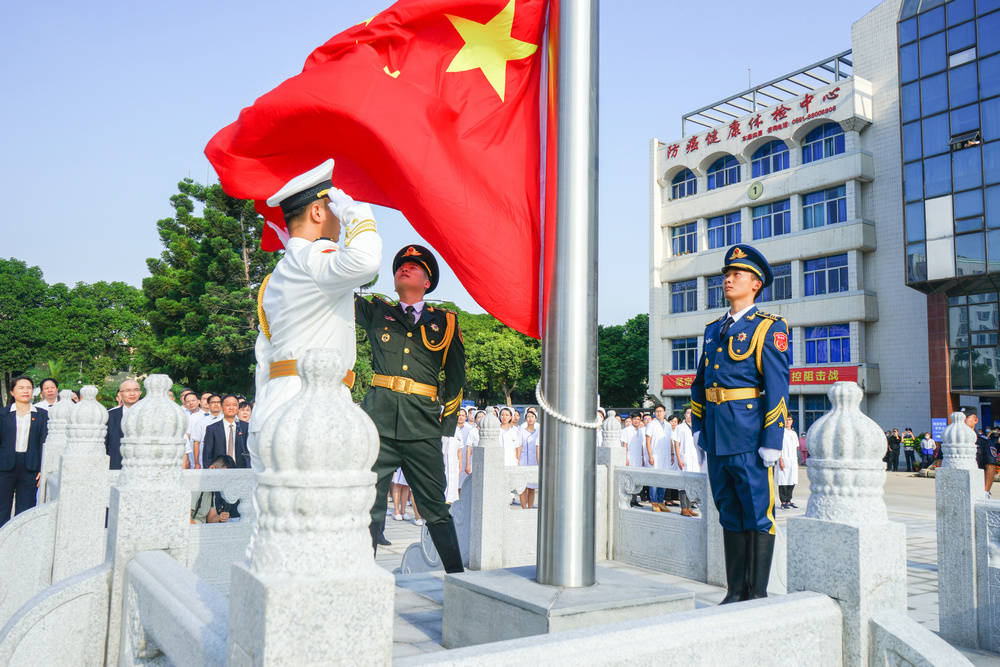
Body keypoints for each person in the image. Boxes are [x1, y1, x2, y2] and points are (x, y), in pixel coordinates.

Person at [250, 158, 382, 462]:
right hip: (313, 408)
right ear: (318, 211)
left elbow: (264, 357)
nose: (338, 223)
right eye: (334, 211)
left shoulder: (277, 275)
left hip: (277, 403)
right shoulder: (314, 257)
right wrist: (357, 214)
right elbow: (365, 261)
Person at [356, 244, 465, 573]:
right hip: (378, 425)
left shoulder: (444, 323)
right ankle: (362, 580)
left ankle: (457, 578)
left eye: (414, 267)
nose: (405, 268)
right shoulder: (376, 312)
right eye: (400, 266)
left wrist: (443, 427)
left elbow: (457, 379)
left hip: (422, 429)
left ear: (427, 282)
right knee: (368, 505)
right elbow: (337, 293)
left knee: (434, 507)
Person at [690, 244, 790, 603]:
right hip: (717, 437)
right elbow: (700, 382)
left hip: (749, 438)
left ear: (756, 283)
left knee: (758, 514)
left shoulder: (768, 328)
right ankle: (735, 591)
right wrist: (698, 427)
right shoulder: (713, 329)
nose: (728, 279)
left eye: (737, 274)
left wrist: (773, 438)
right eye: (727, 274)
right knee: (729, 512)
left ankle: (757, 593)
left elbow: (778, 386)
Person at [0, 377, 48, 526]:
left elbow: (44, 442)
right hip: (4, 466)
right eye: (21, 388)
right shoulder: (2, 414)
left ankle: (20, 544)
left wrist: (43, 468)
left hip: (30, 467)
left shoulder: (42, 415)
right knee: (1, 507)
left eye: (28, 387)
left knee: (26, 509)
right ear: (12, 392)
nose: (25, 391)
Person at [202, 395, 251, 469]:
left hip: (242, 470)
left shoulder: (246, 427)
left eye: (234, 405)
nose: (231, 408)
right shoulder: (212, 429)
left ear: (238, 408)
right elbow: (207, 454)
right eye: (228, 405)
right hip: (219, 470)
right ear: (221, 408)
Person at [106, 379, 142, 470]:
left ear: (140, 393)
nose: (132, 394)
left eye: (136, 390)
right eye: (128, 391)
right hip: (116, 465)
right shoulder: (110, 416)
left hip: (142, 465)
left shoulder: (149, 414)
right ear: (120, 394)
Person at [670, 412, 700, 517]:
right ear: (684, 415)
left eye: (692, 413)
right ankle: (683, 508)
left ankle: (689, 507)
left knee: (692, 484)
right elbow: (676, 444)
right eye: (688, 413)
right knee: (683, 485)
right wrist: (678, 458)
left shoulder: (697, 426)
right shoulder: (680, 428)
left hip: (695, 460)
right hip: (684, 459)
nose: (690, 415)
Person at [646, 404, 671, 510]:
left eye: (661, 411)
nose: (659, 413)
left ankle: (661, 501)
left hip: (665, 456)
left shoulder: (668, 425)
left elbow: (670, 441)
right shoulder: (651, 424)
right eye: (657, 411)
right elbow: (648, 441)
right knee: (654, 479)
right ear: (654, 413)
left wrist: (672, 454)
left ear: (664, 412)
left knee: (664, 479)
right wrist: (650, 455)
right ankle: (654, 502)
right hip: (655, 455)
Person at [968, 409, 995, 496]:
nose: (962, 421)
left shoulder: (984, 441)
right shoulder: (951, 440)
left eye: (966, 417)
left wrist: (985, 491)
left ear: (975, 420)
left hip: (976, 486)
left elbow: (990, 466)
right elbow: (940, 462)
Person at [191, 394, 223, 468]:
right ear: (208, 405)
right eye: (213, 402)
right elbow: (196, 443)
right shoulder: (201, 422)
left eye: (218, 402)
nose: (216, 404)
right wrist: (196, 463)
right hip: (205, 459)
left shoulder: (226, 420)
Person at [517, 408, 540, 509]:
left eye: (532, 417)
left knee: (532, 488)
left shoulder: (539, 431)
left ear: (535, 419)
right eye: (528, 417)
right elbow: (519, 445)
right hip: (523, 461)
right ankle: (523, 507)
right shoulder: (522, 430)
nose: (530, 419)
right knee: (522, 487)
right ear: (525, 418)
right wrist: (517, 460)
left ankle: (530, 508)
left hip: (534, 461)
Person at [777, 417, 799, 509]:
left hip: (793, 460)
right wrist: (780, 460)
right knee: (783, 481)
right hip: (783, 459)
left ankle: (789, 501)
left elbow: (795, 448)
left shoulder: (794, 433)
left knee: (792, 480)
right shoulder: (781, 433)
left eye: (789, 419)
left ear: (792, 421)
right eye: (786, 419)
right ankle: (783, 502)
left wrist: (797, 462)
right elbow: (778, 448)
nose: (787, 421)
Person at [181, 390, 203, 469]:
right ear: (185, 404)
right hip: (187, 449)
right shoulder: (182, 415)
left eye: (193, 400)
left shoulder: (204, 416)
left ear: (198, 401)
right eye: (188, 401)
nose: (191, 403)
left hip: (200, 449)